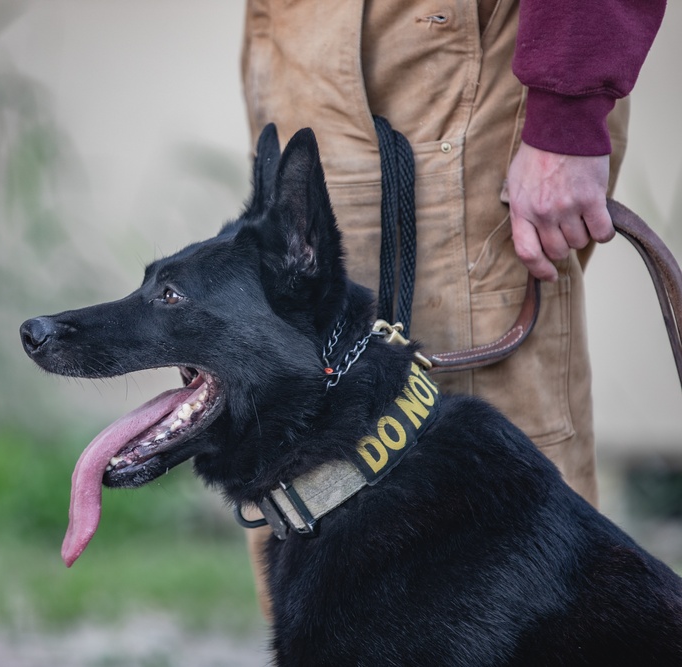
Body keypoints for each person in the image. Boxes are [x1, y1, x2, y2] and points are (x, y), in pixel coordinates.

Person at [239, 0, 667, 619]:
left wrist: (566, 109)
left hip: (446, 44)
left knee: (500, 546)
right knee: (301, 485)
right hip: (295, 32)